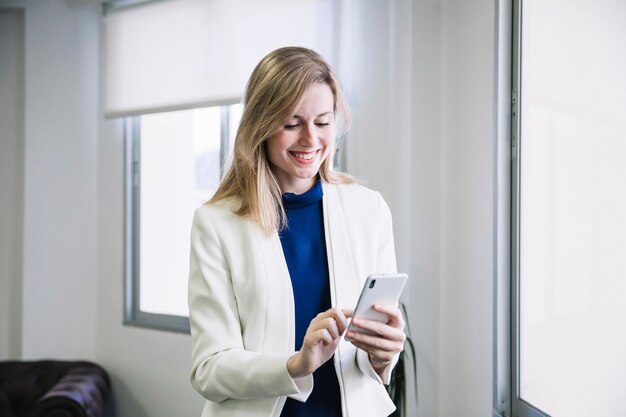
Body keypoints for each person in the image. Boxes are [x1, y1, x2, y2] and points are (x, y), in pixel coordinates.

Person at [188, 46, 406, 417]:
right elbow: (209, 369)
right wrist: (295, 365)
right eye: (292, 123)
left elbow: (372, 364)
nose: (310, 140)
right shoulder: (216, 223)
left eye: (322, 122)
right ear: (260, 125)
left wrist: (385, 355)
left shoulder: (370, 210)